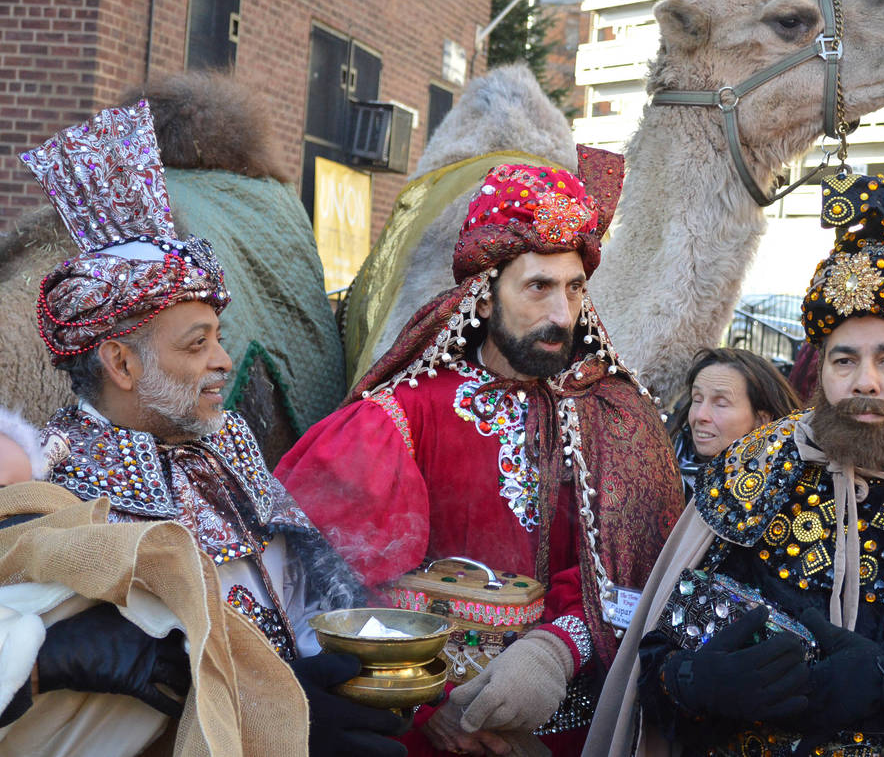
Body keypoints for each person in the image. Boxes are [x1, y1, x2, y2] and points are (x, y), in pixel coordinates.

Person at [585, 174, 884, 757]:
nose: (865, 380)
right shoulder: (753, 469)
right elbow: (663, 642)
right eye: (845, 359)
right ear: (820, 370)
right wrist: (694, 681)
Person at [12, 103, 408, 755]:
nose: (224, 361)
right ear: (119, 362)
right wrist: (271, 717)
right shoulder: (61, 493)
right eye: (197, 344)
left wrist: (356, 660)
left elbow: (304, 574)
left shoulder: (226, 439)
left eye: (218, 337)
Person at [276, 154, 684, 755]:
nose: (560, 314)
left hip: (571, 726)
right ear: (485, 297)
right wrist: (426, 699)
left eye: (574, 288)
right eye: (538, 287)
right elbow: (324, 584)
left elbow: (637, 569)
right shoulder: (403, 415)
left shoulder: (612, 414)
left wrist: (553, 653)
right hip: (424, 732)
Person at [676, 348, 801, 497]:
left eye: (721, 404)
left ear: (762, 420)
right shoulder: (660, 465)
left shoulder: (781, 495)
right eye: (697, 399)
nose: (700, 415)